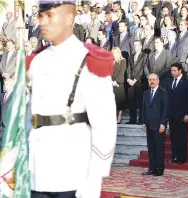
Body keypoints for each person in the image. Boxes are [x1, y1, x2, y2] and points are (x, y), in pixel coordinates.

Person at [26, 1, 117, 198]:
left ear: (69, 17)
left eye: (50, 15)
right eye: (41, 16)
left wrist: (95, 178)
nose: (43, 21)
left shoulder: (89, 59)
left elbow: (104, 124)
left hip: (73, 170)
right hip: (36, 169)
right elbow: (30, 117)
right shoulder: (38, 61)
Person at [166, 63, 188, 164]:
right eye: (171, 71)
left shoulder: (187, 82)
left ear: (180, 70)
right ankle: (175, 157)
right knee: (173, 136)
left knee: (182, 136)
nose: (172, 72)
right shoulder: (169, 82)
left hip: (182, 114)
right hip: (172, 114)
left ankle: (182, 158)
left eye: (174, 70)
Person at [141, 73, 168, 176]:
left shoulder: (163, 93)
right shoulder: (146, 93)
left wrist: (163, 124)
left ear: (158, 81)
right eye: (150, 80)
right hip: (148, 124)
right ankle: (151, 168)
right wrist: (143, 121)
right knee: (151, 148)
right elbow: (143, 108)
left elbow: (165, 109)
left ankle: (159, 169)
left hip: (159, 125)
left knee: (159, 148)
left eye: (153, 80)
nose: (151, 81)